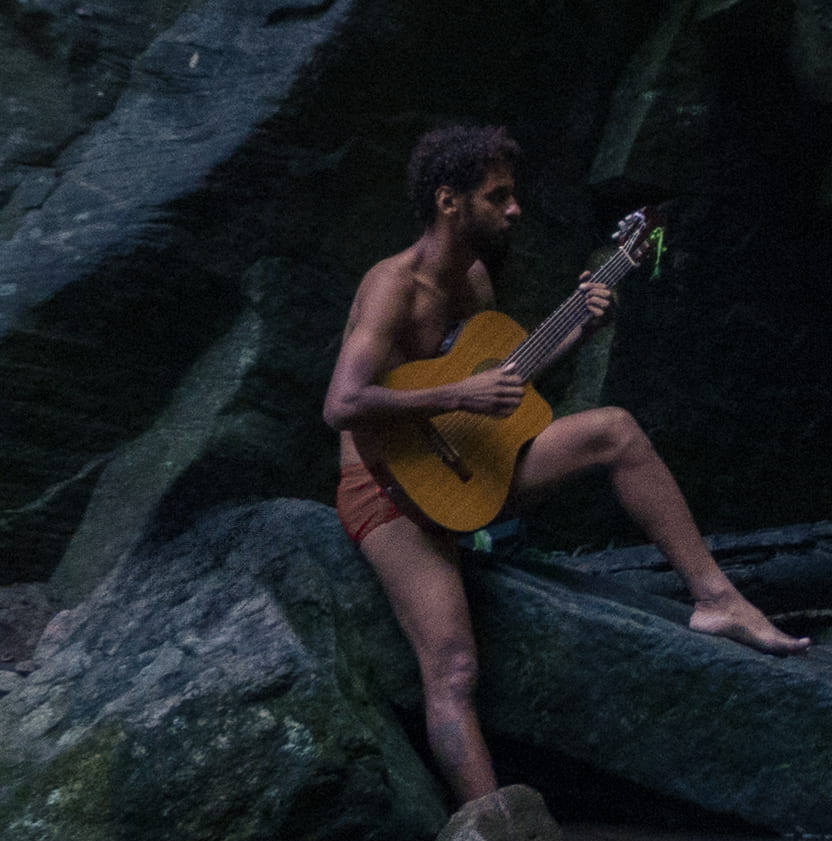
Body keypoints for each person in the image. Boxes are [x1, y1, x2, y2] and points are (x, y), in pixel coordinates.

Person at [322, 124, 803, 805]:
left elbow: (501, 384)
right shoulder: (391, 286)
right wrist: (459, 394)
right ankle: (499, 836)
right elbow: (342, 404)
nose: (515, 209)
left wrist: (579, 330)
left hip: (466, 472)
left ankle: (716, 601)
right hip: (386, 489)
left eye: (512, 194)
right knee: (453, 670)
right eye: (498, 196)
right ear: (448, 201)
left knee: (616, 430)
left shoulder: (475, 279)